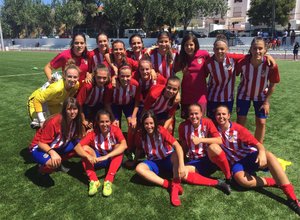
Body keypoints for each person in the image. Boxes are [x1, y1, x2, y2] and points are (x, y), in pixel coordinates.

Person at [215, 105, 300, 216]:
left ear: (229, 115)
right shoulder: (213, 131)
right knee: (241, 180)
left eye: (224, 114)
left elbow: (258, 144)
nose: (221, 116)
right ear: (215, 116)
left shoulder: (237, 129)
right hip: (236, 163)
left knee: (269, 155)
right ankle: (273, 181)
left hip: (249, 157)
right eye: (218, 114)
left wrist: (262, 153)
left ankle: (292, 199)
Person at [134, 110, 185, 206]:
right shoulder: (140, 134)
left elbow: (178, 146)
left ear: (155, 122)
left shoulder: (161, 130)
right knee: (139, 168)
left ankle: (175, 184)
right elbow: (138, 149)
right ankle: (169, 185)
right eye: (146, 124)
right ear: (143, 124)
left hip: (167, 159)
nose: (149, 126)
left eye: (151, 123)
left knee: (176, 155)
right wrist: (134, 162)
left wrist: (182, 165)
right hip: (153, 162)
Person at [178, 103, 231, 194]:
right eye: (191, 114)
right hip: (194, 161)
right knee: (181, 174)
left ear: (201, 114)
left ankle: (229, 177)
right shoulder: (183, 126)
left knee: (214, 147)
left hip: (208, 159)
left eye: (196, 113)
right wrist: (183, 161)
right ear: (188, 115)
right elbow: (184, 145)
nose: (194, 116)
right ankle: (217, 183)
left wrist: (201, 140)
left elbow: (219, 140)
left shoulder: (207, 122)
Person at [235, 37, 280, 143]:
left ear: (265, 50)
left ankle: (258, 147)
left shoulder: (271, 65)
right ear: (250, 49)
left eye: (260, 48)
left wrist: (266, 101)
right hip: (243, 94)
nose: (257, 51)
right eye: (255, 48)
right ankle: (239, 144)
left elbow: (273, 83)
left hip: (261, 96)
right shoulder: (243, 62)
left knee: (261, 122)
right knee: (241, 121)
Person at [73, 109, 127, 196]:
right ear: (97, 122)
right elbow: (77, 147)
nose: (105, 124)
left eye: (107, 121)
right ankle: (94, 181)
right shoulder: (93, 133)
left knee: (118, 147)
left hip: (112, 159)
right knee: (84, 148)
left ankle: (108, 181)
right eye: (102, 122)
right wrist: (88, 156)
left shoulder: (115, 130)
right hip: (97, 159)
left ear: (110, 121)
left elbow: (124, 145)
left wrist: (106, 156)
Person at [29, 97, 84, 175]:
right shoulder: (55, 122)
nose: (72, 112)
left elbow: (75, 139)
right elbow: (41, 143)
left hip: (56, 144)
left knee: (81, 144)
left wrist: (87, 156)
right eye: (69, 109)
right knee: (53, 163)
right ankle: (41, 169)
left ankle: (59, 160)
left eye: (75, 109)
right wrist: (53, 153)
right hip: (39, 147)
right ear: (64, 110)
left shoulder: (76, 120)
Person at [28, 59, 80, 128]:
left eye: (75, 77)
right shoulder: (56, 88)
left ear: (78, 77)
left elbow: (69, 97)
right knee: (43, 127)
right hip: (37, 101)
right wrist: (42, 120)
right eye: (69, 76)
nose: (72, 79)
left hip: (52, 103)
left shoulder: (76, 85)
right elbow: (37, 99)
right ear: (64, 76)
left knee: (61, 121)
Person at [174, 33, 210, 118]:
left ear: (195, 44)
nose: (189, 47)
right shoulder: (181, 57)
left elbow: (208, 71)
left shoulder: (204, 54)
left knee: (199, 121)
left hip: (200, 95)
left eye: (191, 44)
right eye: (186, 45)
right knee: (187, 122)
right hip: (186, 95)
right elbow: (174, 69)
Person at [104, 64, 140, 150]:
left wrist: (134, 117)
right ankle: (117, 145)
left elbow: (137, 101)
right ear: (118, 76)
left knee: (132, 124)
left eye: (128, 76)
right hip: (115, 105)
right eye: (122, 76)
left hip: (128, 104)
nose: (125, 79)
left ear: (131, 75)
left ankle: (130, 147)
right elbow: (107, 103)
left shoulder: (135, 84)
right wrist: (112, 118)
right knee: (115, 125)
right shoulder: (112, 86)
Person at [76, 64, 110, 129]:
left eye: (104, 78)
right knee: (85, 126)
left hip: (96, 106)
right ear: (94, 76)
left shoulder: (107, 84)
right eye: (99, 77)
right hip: (85, 107)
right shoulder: (88, 86)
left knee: (99, 125)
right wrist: (83, 119)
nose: (101, 80)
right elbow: (79, 104)